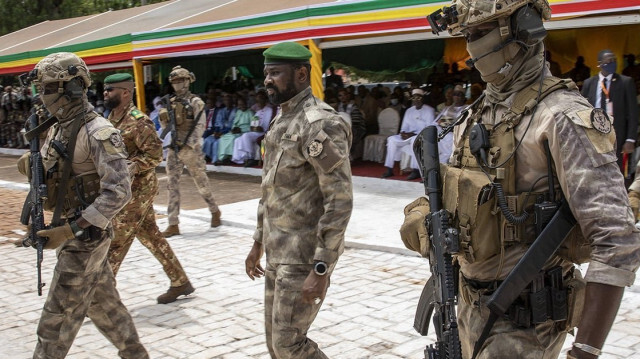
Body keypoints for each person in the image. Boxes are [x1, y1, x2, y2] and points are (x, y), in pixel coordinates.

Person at [401, 2, 640, 359]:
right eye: (466, 36)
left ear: (522, 28)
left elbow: (616, 239)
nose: (470, 47)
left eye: (480, 33)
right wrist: (424, 221)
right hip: (467, 308)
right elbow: (456, 197)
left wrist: (586, 351)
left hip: (525, 324)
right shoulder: (477, 112)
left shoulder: (563, 117)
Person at [16, 52, 148, 358]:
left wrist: (71, 230)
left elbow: (118, 191)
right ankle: (135, 353)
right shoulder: (59, 126)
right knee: (104, 305)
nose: (43, 96)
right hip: (72, 229)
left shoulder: (98, 132)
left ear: (72, 88)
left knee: (56, 320)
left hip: (84, 235)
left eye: (48, 87)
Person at [244, 41, 353, 359]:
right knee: (275, 345)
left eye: (275, 73)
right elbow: (270, 191)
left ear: (302, 73)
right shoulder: (281, 121)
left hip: (304, 258)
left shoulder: (320, 124)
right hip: (277, 254)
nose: (267, 81)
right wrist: (257, 243)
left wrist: (321, 268)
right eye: (266, 73)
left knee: (289, 343)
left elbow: (340, 199)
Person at [102, 73, 194, 304]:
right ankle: (180, 281)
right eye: (104, 90)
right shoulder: (111, 119)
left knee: (117, 239)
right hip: (122, 189)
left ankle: (100, 295)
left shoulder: (138, 121)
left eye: (110, 90)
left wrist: (131, 166)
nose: (105, 93)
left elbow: (154, 155)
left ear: (125, 92)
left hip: (138, 191)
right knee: (152, 236)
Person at [159, 65, 222, 237]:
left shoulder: (196, 102)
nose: (177, 84)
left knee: (201, 183)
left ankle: (214, 210)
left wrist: (189, 144)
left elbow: (200, 126)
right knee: (172, 185)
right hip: (174, 147)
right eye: (174, 81)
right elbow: (166, 127)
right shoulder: (170, 103)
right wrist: (164, 118)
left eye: (180, 81)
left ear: (188, 81)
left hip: (190, 148)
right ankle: (173, 223)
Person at [582, 49, 639, 179]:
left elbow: (633, 113)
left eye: (614, 60)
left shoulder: (625, 82)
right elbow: (582, 110)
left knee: (617, 174)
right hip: (594, 135)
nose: (612, 63)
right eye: (609, 61)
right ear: (600, 64)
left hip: (617, 135)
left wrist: (630, 139)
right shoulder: (589, 83)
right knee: (597, 173)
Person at [381, 88, 435, 180]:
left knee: (415, 140)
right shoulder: (409, 110)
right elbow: (404, 128)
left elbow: (429, 130)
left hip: (421, 136)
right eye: (414, 98)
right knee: (391, 139)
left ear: (422, 98)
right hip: (407, 136)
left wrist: (413, 134)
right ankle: (389, 168)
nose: (416, 100)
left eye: (418, 98)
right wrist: (403, 133)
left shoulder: (430, 110)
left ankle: (416, 170)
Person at [232, 90, 273, 167]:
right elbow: (253, 124)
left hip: (264, 132)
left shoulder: (269, 110)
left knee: (246, 136)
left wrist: (261, 128)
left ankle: (251, 157)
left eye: (260, 99)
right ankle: (241, 159)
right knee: (237, 140)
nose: (258, 102)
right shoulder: (258, 112)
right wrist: (253, 128)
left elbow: (268, 125)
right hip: (256, 132)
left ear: (265, 99)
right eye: (257, 101)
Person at [216, 96, 253, 164]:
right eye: (239, 105)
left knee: (233, 138)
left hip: (244, 132)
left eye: (242, 104)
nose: (241, 106)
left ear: (246, 104)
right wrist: (234, 129)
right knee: (223, 138)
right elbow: (234, 123)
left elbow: (252, 126)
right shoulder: (238, 112)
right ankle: (223, 158)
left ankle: (230, 158)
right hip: (236, 131)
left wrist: (241, 130)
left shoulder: (250, 112)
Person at [202, 93, 235, 163]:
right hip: (219, 132)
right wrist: (216, 132)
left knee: (216, 143)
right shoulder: (221, 111)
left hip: (229, 133)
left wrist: (221, 133)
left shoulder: (235, 111)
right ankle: (207, 157)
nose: (227, 102)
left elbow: (232, 125)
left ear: (232, 101)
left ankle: (216, 160)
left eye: (229, 100)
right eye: (225, 100)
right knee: (208, 140)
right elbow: (218, 123)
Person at [337, 88, 366, 160]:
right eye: (340, 96)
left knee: (349, 134)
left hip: (357, 127)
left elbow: (356, 121)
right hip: (344, 128)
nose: (342, 97)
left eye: (344, 95)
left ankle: (348, 156)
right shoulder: (339, 106)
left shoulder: (353, 106)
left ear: (348, 96)